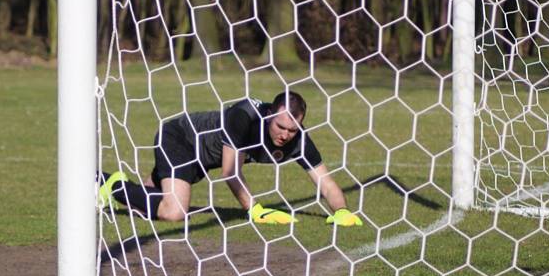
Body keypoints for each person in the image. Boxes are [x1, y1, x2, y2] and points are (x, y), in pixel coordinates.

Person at [99, 91, 362, 226]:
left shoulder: (298, 139)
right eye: (280, 127)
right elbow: (230, 171)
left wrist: (342, 212)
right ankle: (111, 183)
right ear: (270, 114)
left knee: (148, 200)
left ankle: (130, 191)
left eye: (292, 130)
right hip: (180, 137)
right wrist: (255, 210)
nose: (285, 135)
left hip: (202, 158)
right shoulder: (244, 116)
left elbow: (326, 182)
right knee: (174, 212)